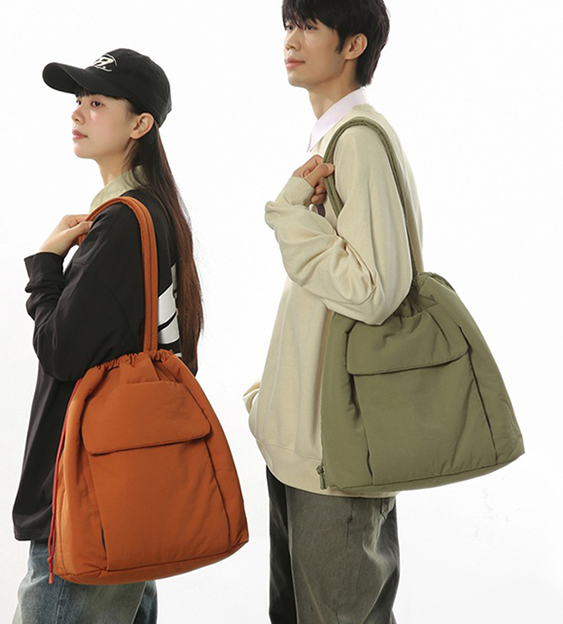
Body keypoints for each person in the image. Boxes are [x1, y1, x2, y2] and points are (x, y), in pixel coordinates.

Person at [243, 1, 424, 622]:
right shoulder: (330, 138)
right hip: (310, 443)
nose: (291, 40)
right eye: (289, 25)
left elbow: (375, 290)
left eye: (309, 26)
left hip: (335, 450)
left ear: (353, 45)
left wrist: (288, 216)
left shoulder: (360, 141)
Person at [12, 48, 203, 624]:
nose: (78, 113)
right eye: (78, 100)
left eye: (96, 102)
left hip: (84, 501)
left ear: (140, 124)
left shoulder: (122, 223)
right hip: (125, 495)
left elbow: (60, 349)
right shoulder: (157, 213)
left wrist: (45, 266)